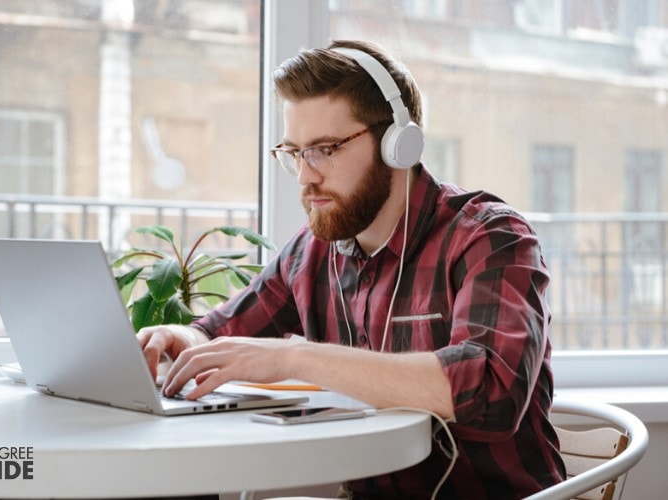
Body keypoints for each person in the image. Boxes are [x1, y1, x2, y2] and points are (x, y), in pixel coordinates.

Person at [137, 39, 565, 499]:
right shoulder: (312, 252)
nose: (305, 176)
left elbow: (492, 392)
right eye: (295, 152)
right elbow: (227, 331)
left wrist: (295, 358)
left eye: (324, 149)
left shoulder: (490, 238)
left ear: (397, 145)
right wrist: (188, 341)